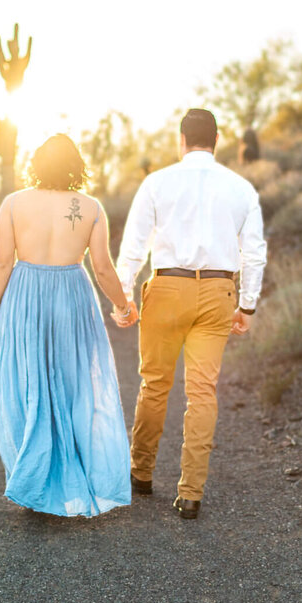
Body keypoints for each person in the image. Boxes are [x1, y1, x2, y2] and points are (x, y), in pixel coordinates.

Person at [114, 108, 268, 520]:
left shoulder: (156, 183)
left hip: (167, 288)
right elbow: (254, 253)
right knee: (202, 392)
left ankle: (141, 473)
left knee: (155, 384)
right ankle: (191, 494)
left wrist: (123, 298)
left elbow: (133, 248)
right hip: (219, 291)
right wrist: (247, 305)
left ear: (181, 140)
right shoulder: (241, 189)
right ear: (216, 141)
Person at [0, 133, 138, 517]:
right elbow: (102, 267)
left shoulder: (14, 203)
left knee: (29, 384)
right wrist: (123, 305)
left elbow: (3, 261)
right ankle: (71, 477)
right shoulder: (90, 207)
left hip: (25, 295)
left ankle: (34, 481)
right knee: (74, 385)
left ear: (36, 164)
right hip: (72, 293)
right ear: (75, 165)